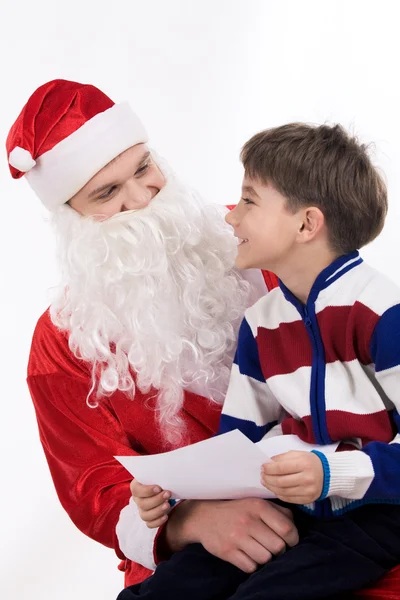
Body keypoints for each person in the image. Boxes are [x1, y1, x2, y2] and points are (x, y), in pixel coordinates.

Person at [6, 78, 300, 589]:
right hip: (190, 551)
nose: (143, 198)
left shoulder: (252, 241)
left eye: (143, 167)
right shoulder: (64, 340)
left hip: (321, 497)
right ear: (70, 217)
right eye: (107, 193)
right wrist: (191, 522)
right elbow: (91, 483)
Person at [118, 123, 400, 600]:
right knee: (172, 587)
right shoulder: (261, 321)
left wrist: (335, 474)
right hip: (295, 505)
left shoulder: (381, 313)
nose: (232, 219)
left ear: (306, 224)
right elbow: (237, 445)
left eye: (249, 201)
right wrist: (170, 494)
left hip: (378, 510)